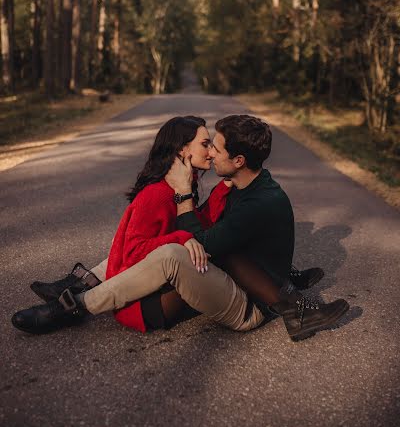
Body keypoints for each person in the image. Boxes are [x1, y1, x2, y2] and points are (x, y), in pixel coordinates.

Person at [12, 115, 348, 341]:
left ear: (239, 161)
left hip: (248, 305)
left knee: (175, 250)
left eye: (215, 147)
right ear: (182, 151)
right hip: (231, 284)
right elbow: (142, 247)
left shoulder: (250, 199)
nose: (212, 153)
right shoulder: (246, 186)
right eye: (207, 144)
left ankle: (73, 305)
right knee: (173, 245)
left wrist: (184, 198)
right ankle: (72, 290)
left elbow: (204, 238)